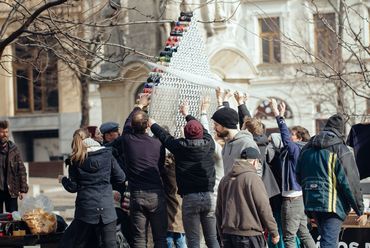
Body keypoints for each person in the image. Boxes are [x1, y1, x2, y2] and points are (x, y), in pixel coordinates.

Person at [150, 102, 219, 248]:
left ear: (186, 135)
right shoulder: (209, 144)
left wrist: (153, 124)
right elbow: (203, 129)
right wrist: (187, 114)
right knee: (212, 239)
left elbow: (165, 137)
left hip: (190, 198)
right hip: (209, 197)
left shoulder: (180, 147)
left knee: (193, 241)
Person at [297, 114, 367, 248]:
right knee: (329, 243)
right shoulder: (340, 149)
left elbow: (298, 176)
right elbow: (351, 182)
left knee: (327, 240)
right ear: (340, 131)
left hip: (312, 203)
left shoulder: (306, 149)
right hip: (332, 205)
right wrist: (360, 209)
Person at [59, 128, 125, 248]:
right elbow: (121, 177)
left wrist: (63, 180)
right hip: (107, 207)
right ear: (90, 137)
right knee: (110, 244)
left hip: (85, 209)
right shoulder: (108, 154)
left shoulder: (75, 160)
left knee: (80, 243)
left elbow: (73, 187)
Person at [120, 94, 167, 248]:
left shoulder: (127, 140)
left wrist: (140, 105)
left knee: (139, 239)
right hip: (155, 193)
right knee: (160, 238)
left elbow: (127, 124)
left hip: (137, 194)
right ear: (147, 125)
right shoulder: (157, 144)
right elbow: (160, 167)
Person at [270, 99, 315, 248]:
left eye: (292, 135)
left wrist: (277, 115)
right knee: (304, 234)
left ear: (299, 138)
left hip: (292, 200)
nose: (289, 136)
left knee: (289, 238)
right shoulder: (301, 149)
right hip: (299, 199)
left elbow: (284, 137)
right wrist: (282, 114)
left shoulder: (296, 149)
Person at [216, 147, 280, 248]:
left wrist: (221, 235)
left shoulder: (225, 180)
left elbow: (219, 210)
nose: (259, 166)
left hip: (228, 235)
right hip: (249, 236)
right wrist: (274, 232)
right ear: (254, 162)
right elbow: (264, 207)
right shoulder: (253, 178)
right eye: (259, 163)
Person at [211, 107, 259, 175]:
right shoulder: (227, 143)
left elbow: (257, 174)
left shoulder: (247, 143)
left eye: (216, 125)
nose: (214, 128)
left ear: (225, 125)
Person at [0, 120, 28, 213]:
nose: (5, 134)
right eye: (2, 132)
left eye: (6, 132)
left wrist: (23, 189)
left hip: (11, 190)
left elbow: (21, 169)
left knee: (13, 218)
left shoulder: (14, 149)